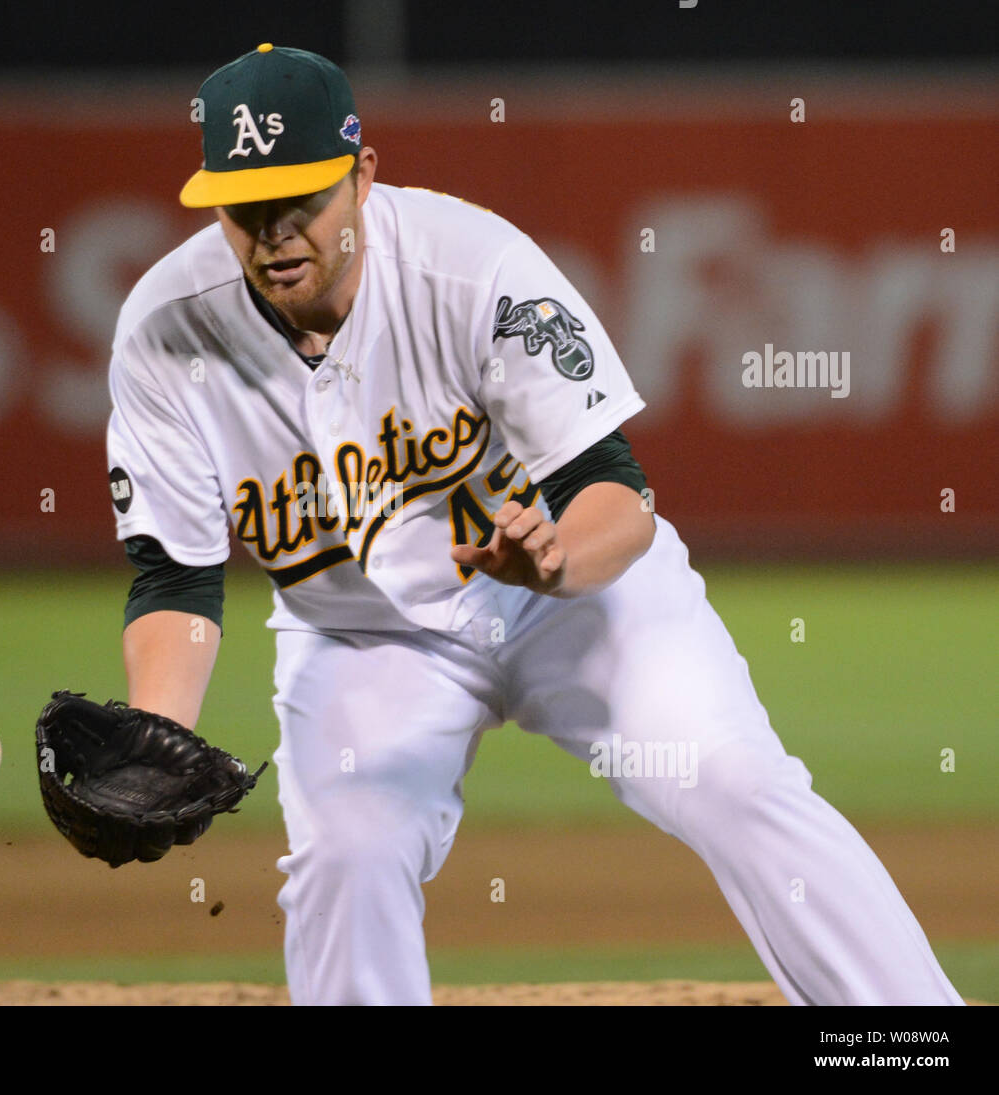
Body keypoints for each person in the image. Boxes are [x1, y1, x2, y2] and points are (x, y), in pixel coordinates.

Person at [104, 43, 964, 1006]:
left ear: (363, 176)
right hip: (361, 635)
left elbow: (615, 492)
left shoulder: (475, 271)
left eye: (300, 197)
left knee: (735, 781)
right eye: (243, 207)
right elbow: (174, 575)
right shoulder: (164, 330)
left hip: (576, 603)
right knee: (348, 856)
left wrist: (556, 559)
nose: (272, 233)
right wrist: (157, 735)